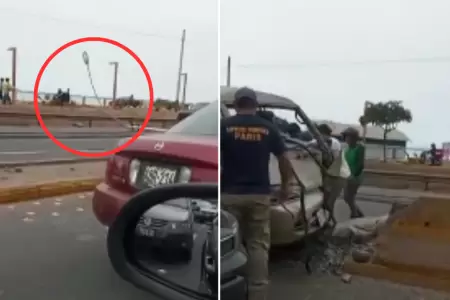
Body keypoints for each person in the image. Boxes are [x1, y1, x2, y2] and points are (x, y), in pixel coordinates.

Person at [221, 87, 292, 300]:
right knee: (258, 245)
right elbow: (284, 159)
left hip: (229, 194)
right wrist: (285, 187)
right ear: (255, 105)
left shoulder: (225, 127)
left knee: (229, 242)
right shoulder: (268, 128)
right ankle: (258, 292)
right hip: (259, 195)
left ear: (235, 105)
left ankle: (226, 288)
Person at [308, 123, 350, 221]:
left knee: (328, 203)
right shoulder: (315, 142)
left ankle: (329, 224)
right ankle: (327, 222)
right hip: (327, 176)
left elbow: (332, 161)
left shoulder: (334, 143)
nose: (315, 136)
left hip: (338, 176)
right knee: (323, 202)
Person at [342, 127, 365, 218]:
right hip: (347, 176)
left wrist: (353, 175)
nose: (347, 139)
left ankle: (355, 214)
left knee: (348, 197)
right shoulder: (346, 150)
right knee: (347, 198)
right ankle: (357, 213)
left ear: (354, 138)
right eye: (346, 137)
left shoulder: (360, 148)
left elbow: (360, 164)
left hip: (356, 176)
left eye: (349, 137)